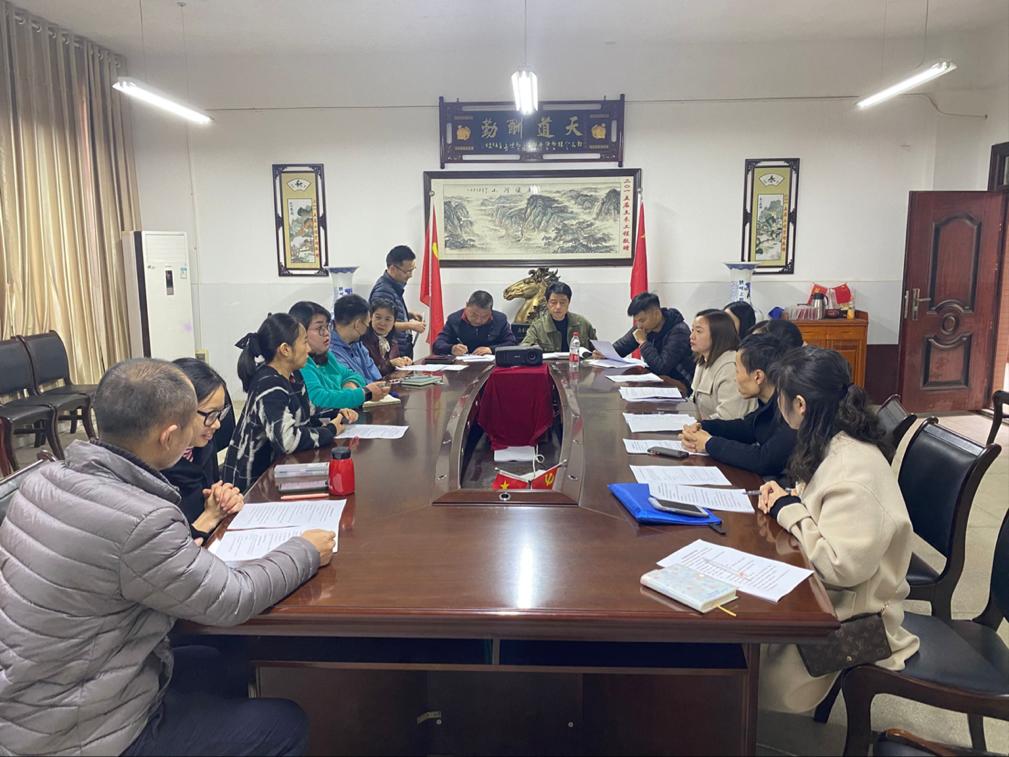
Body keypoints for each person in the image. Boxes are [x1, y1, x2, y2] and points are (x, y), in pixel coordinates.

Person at [0, 358, 336, 756]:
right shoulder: (141, 516)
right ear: (169, 436)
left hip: (32, 701)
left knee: (217, 659)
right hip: (82, 734)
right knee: (284, 723)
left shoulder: (43, 480)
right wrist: (305, 550)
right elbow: (233, 598)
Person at [756, 347, 919, 713]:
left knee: (737, 645)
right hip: (831, 593)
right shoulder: (833, 439)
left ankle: (727, 716)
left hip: (854, 615)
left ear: (800, 404)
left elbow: (840, 568)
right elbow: (822, 511)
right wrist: (789, 499)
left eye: (781, 397)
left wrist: (787, 510)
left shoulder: (852, 469)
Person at [223, 313, 355, 492]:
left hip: (278, 472)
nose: (308, 349)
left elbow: (308, 415)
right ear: (285, 349)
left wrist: (336, 414)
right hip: (251, 486)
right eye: (304, 342)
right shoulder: (269, 385)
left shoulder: (294, 376)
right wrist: (330, 430)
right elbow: (288, 440)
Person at [680, 333, 797, 477]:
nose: (735, 378)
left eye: (737, 371)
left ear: (758, 376)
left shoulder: (791, 409)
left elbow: (764, 460)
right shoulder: (769, 402)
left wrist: (709, 443)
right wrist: (703, 426)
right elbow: (747, 428)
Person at [161, 358, 244, 537]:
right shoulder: (157, 465)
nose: (217, 424)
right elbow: (169, 544)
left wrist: (224, 499)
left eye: (220, 414)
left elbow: (211, 495)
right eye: (211, 415)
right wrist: (210, 516)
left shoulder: (203, 446)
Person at [290, 300, 389, 409]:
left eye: (327, 327)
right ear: (300, 332)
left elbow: (356, 376)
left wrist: (348, 389)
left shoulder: (327, 356)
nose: (326, 333)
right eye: (319, 328)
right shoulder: (302, 364)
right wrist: (364, 394)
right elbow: (318, 399)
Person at [611, 292, 695, 390]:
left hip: (680, 384)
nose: (639, 325)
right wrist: (605, 353)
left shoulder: (679, 331)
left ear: (657, 314)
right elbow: (622, 346)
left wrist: (643, 343)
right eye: (636, 321)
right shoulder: (644, 327)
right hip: (656, 379)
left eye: (642, 320)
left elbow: (661, 367)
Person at [688, 310, 756, 421]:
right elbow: (694, 399)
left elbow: (729, 416)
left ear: (717, 335)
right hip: (703, 425)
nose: (692, 336)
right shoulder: (703, 360)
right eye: (692, 330)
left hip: (721, 429)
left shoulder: (731, 366)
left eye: (699, 331)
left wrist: (697, 425)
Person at [369, 245, 426, 359]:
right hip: (390, 354)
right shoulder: (383, 290)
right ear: (393, 269)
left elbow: (390, 313)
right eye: (407, 271)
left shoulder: (393, 286)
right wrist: (409, 325)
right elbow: (381, 323)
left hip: (400, 351)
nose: (410, 275)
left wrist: (407, 315)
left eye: (412, 270)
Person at [433, 290, 518, 356]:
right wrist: (451, 348)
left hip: (491, 365)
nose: (478, 320)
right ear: (466, 306)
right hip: (461, 366)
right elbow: (438, 344)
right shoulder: (454, 319)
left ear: (491, 311)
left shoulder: (500, 320)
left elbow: (512, 343)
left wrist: (491, 349)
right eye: (474, 315)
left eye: (484, 316)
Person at [520, 281, 597, 353]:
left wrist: (597, 353)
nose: (558, 307)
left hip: (578, 363)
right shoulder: (537, 327)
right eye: (553, 302)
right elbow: (524, 347)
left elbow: (597, 348)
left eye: (562, 302)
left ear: (569, 302)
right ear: (547, 303)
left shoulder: (582, 323)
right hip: (549, 363)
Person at [329, 294, 384, 382]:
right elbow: (352, 383)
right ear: (357, 324)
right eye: (367, 325)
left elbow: (374, 373)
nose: (367, 329)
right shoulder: (331, 353)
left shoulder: (357, 343)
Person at [362, 298, 414, 377]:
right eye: (378, 317)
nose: (382, 323)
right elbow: (370, 371)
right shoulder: (363, 341)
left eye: (387, 319)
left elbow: (393, 367)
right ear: (371, 317)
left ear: (394, 322)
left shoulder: (393, 342)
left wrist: (403, 361)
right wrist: (390, 364)